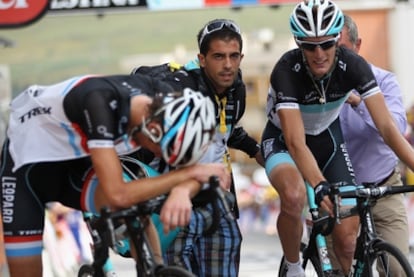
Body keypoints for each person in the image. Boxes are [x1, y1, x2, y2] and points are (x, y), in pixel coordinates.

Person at [0, 73, 231, 277]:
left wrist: (182, 190)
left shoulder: (169, 103)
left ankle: (155, 270)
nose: (160, 159)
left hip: (76, 160)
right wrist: (186, 176)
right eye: (162, 152)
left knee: (136, 210)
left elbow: (201, 173)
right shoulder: (98, 102)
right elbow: (118, 194)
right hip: (25, 169)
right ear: (153, 129)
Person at [261, 0, 414, 276]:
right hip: (285, 141)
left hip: (327, 140)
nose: (319, 53)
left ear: (337, 42)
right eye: (309, 46)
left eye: (327, 44)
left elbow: (389, 129)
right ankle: (294, 265)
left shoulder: (353, 66)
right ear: (299, 44)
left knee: (346, 241)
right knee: (295, 195)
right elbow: (296, 142)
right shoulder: (286, 71)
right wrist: (319, 184)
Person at [134, 19, 263, 276]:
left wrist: (261, 153)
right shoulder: (178, 90)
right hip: (172, 205)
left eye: (233, 56)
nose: (227, 64)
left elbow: (226, 132)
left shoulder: (236, 88)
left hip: (216, 202)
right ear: (202, 59)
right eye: (218, 56)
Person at [336, 13, 410, 274]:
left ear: (357, 46)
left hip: (382, 186)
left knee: (398, 271)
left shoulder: (385, 80)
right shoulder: (315, 84)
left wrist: (359, 102)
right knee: (341, 269)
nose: (333, 59)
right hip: (339, 192)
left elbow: (397, 129)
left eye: (341, 50)